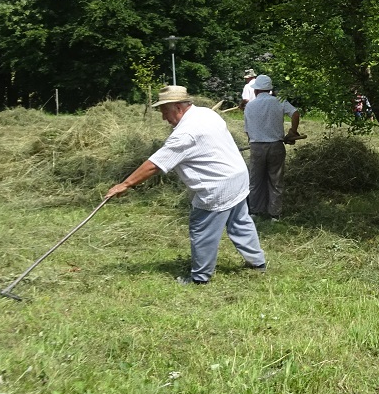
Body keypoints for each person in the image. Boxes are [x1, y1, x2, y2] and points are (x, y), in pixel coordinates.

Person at [105, 85, 267, 284]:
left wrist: (126, 184)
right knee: (240, 222)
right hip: (238, 176)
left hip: (217, 186)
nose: (164, 117)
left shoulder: (185, 134)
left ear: (178, 107)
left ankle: (200, 278)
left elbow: (155, 165)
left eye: (165, 111)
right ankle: (258, 263)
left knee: (202, 230)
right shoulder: (206, 114)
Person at [243, 74, 301, 220]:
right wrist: (293, 132)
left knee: (255, 181)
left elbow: (248, 131)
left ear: (256, 91)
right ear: (269, 89)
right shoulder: (279, 101)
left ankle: (255, 211)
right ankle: (274, 214)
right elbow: (295, 114)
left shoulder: (250, 105)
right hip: (276, 146)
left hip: (256, 146)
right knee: (275, 180)